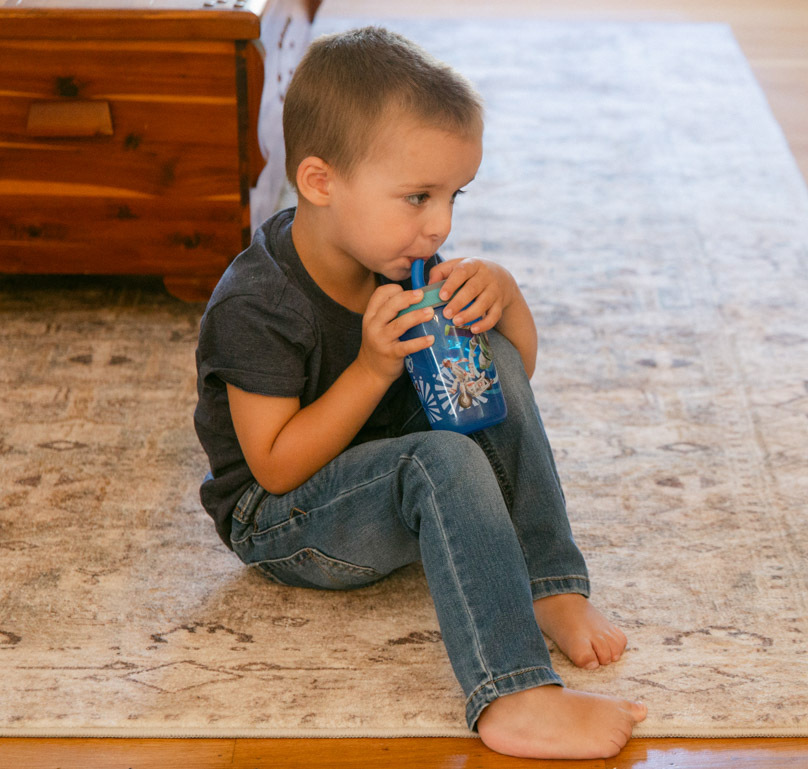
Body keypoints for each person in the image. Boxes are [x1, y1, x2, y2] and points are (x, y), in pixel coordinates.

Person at [192, 26, 646, 759]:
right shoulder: (258, 304)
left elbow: (514, 372)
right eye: (417, 197)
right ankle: (512, 693)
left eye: (452, 196)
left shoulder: (394, 252)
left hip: (371, 459)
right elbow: (273, 468)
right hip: (280, 517)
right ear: (319, 182)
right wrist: (372, 368)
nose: (439, 224)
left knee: (485, 356)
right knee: (441, 461)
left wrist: (508, 297)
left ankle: (549, 581)